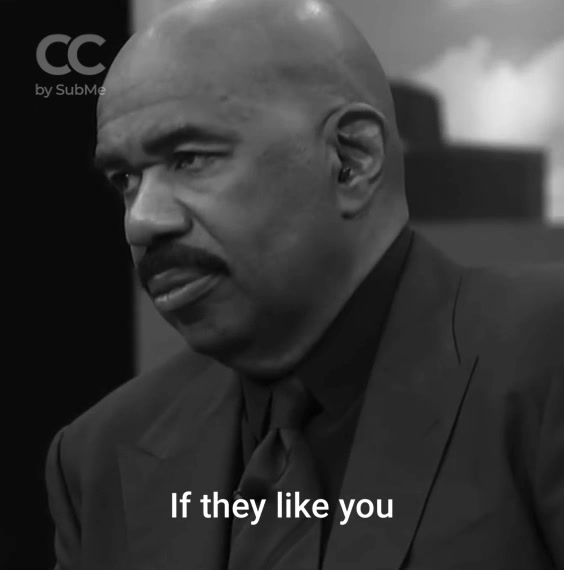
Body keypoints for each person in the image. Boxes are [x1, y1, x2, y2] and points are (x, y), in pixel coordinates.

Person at [46, 0, 564, 568]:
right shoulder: (98, 456)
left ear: (351, 159)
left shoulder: (545, 359)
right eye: (125, 179)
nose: (141, 221)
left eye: (189, 159)